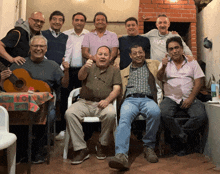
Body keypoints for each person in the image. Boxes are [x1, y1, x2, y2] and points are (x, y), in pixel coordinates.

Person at [0, 35, 69, 163]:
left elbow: (64, 85)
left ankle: (37, 150)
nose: (38, 48)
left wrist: (67, 71)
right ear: (30, 48)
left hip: (45, 104)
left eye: (41, 46)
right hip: (21, 105)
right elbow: (7, 88)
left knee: (49, 115)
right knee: (13, 115)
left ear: (46, 49)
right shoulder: (19, 63)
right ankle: (19, 150)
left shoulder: (53, 65)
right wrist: (2, 79)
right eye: (35, 46)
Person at [65, 46, 121, 165]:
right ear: (95, 56)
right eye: (100, 54)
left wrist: (107, 100)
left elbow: (117, 89)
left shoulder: (114, 70)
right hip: (85, 102)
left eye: (105, 55)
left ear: (110, 57)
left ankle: (102, 144)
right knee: (70, 113)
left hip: (103, 104)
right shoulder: (89, 67)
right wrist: (85, 67)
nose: (102, 57)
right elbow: (80, 77)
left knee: (111, 114)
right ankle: (81, 148)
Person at [109, 45, 161, 170]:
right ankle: (121, 154)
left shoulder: (153, 65)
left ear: (144, 53)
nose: (138, 55)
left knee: (155, 112)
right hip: (130, 100)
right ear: (130, 56)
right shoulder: (123, 72)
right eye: (135, 53)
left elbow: (167, 65)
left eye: (140, 52)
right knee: (124, 119)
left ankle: (149, 147)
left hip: (147, 99)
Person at [157, 36, 208, 155]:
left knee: (200, 116)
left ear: (181, 48)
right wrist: (164, 66)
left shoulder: (192, 62)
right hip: (171, 98)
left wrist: (190, 98)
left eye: (176, 48)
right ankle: (183, 137)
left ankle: (177, 138)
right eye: (171, 49)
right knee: (163, 113)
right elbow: (159, 78)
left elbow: (199, 82)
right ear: (168, 52)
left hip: (189, 97)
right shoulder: (164, 63)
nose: (174, 51)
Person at [55, 12, 90, 141]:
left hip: (83, 70)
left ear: (84, 22)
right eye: (76, 20)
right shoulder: (65, 34)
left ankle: (83, 129)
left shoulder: (89, 35)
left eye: (81, 20)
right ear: (72, 21)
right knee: (65, 98)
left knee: (83, 99)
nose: (79, 22)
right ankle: (64, 129)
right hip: (68, 70)